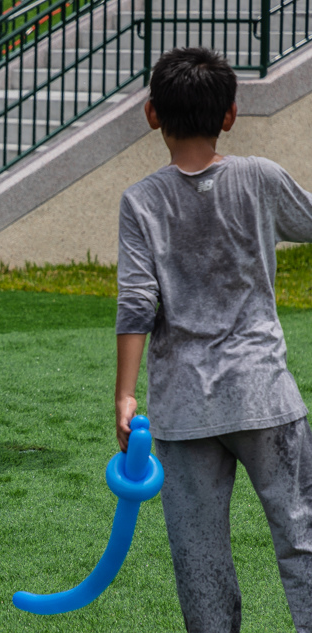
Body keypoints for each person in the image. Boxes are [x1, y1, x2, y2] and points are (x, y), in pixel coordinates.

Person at [115, 47, 312, 632]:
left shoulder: (141, 201)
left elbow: (136, 304)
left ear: (152, 114)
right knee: (302, 536)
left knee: (199, 561)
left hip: (182, 407)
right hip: (263, 396)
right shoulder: (260, 176)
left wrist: (125, 396)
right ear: (230, 114)